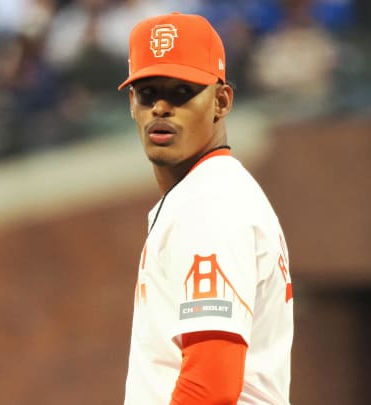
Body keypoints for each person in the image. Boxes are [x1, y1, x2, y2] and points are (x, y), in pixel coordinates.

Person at [118, 12, 294, 404]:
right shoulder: (205, 194)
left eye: (181, 91)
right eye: (148, 93)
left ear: (221, 101)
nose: (161, 108)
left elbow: (210, 386)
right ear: (132, 104)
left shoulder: (210, 202)